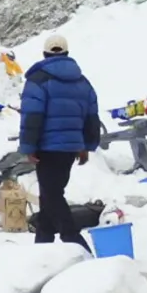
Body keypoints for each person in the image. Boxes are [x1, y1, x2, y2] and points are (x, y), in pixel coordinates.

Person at [17, 36, 101, 252]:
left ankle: (75, 241)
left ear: (45, 54)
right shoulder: (82, 81)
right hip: (71, 148)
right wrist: (86, 145)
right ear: (66, 53)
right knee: (49, 194)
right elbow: (92, 116)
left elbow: (32, 116)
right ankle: (42, 245)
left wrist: (29, 146)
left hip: (46, 148)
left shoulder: (38, 79)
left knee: (53, 195)